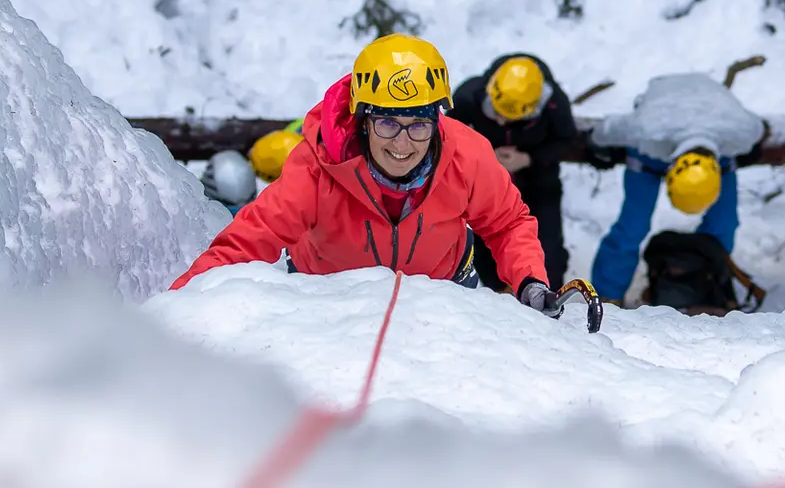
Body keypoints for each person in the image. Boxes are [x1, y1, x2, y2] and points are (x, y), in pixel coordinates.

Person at [171, 35, 555, 314]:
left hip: (442, 301)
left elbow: (508, 224)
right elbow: (248, 241)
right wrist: (177, 311)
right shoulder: (318, 168)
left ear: (437, 122)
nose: (402, 144)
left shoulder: (467, 156)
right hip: (329, 303)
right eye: (388, 123)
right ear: (363, 121)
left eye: (417, 125)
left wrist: (530, 280)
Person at [588, 73, 766, 304]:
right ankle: (606, 296)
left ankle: (704, 281)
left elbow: (760, 129)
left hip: (718, 142)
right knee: (633, 225)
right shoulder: (647, 130)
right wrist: (596, 147)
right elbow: (604, 130)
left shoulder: (741, 132)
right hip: (653, 147)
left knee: (724, 224)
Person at [449, 52, 579, 288]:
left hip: (539, 182)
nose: (499, 123)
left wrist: (529, 159)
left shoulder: (554, 104)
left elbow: (567, 141)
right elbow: (449, 134)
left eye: (509, 118)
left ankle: (546, 296)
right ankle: (497, 291)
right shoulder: (470, 95)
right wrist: (484, 155)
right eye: (495, 113)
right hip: (486, 183)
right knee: (485, 246)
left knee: (547, 249)